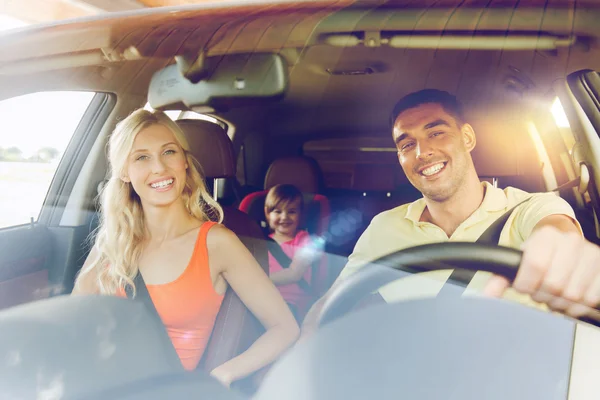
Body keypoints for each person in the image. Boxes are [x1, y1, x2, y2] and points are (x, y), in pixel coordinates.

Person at [301, 89, 600, 337]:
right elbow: (330, 307)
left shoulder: (530, 208)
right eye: (407, 144)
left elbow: (557, 235)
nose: (422, 152)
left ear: (467, 138)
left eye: (436, 133)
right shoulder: (383, 227)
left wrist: (567, 257)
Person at [72, 109, 299, 387]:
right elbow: (75, 319)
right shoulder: (113, 240)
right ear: (124, 172)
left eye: (169, 152)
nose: (159, 168)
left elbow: (285, 327)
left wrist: (222, 375)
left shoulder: (217, 243)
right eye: (142, 157)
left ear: (185, 162)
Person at [264, 184, 324, 320]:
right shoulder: (260, 242)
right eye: (278, 211)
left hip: (294, 304)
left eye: (291, 211)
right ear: (268, 213)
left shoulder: (306, 241)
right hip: (265, 300)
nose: (284, 217)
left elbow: (295, 273)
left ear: (300, 214)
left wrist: (257, 280)